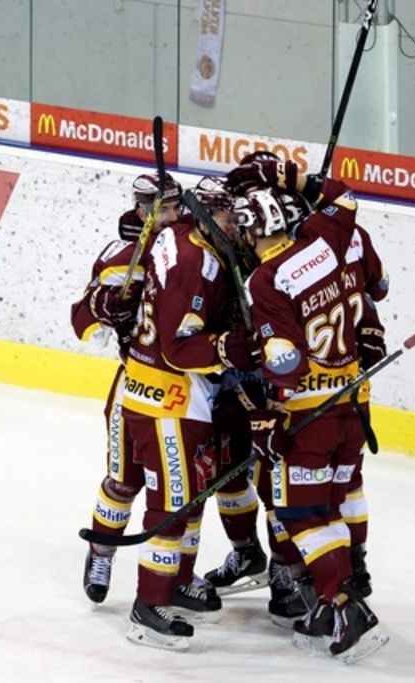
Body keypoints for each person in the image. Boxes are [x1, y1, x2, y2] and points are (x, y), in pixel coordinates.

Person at [230, 181, 388, 662]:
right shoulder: (323, 240)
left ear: (253, 231)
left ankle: (347, 607)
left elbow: (283, 361)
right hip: (350, 406)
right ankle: (327, 602)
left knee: (302, 515)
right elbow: (346, 201)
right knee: (330, 507)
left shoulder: (266, 279)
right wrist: (296, 175)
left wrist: (268, 417)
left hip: (308, 418)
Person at [119, 176, 257, 649]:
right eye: (226, 218)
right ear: (206, 216)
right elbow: (180, 348)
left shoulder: (181, 237)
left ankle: (177, 581)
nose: (234, 226)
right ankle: (148, 604)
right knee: (173, 505)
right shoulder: (196, 263)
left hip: (170, 394)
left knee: (190, 498)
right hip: (169, 399)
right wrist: (232, 346)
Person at [71, 172, 182, 604]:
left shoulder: (194, 248)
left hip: (191, 391)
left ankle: (180, 577)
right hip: (136, 384)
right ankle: (101, 552)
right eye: (165, 209)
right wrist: (107, 308)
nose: (174, 216)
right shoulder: (121, 256)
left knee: (180, 491)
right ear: (143, 210)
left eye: (177, 207)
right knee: (123, 481)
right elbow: (83, 318)